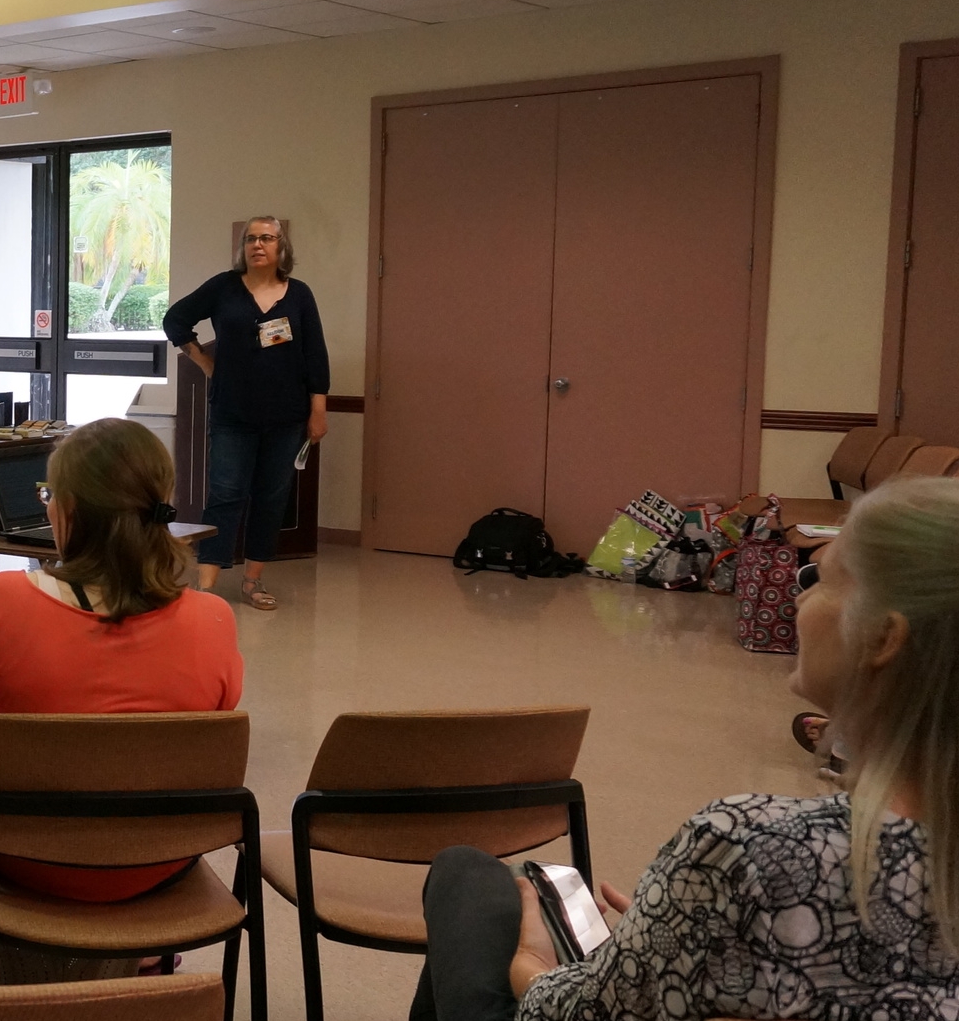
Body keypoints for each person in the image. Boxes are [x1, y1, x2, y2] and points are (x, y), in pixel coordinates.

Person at [409, 475, 959, 1021]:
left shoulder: (752, 847)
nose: (800, 594)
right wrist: (663, 951)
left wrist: (535, 968)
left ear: (884, 638)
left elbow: (574, 1011)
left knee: (466, 873)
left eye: (821, 578)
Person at [0, 417, 243, 910]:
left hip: (22, 855)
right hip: (161, 859)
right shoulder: (213, 618)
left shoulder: (1, 601)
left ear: (66, 510)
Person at [162, 216, 330, 610]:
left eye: (267, 238)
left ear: (281, 248)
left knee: (271, 498)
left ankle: (253, 581)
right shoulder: (224, 287)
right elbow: (176, 320)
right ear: (243, 247)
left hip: (286, 417)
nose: (258, 244)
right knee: (225, 495)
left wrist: (318, 409)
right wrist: (203, 361)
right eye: (251, 238)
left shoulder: (300, 294)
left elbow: (315, 355)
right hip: (233, 414)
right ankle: (206, 585)